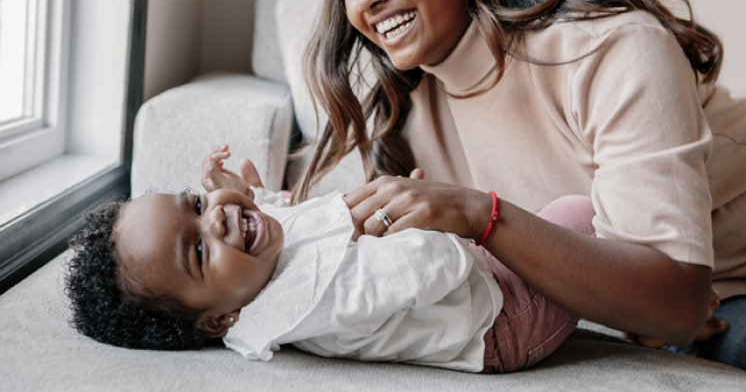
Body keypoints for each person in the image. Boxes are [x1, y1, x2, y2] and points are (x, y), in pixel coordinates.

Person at [292, 0, 746, 369]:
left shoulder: (610, 48)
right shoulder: (404, 117)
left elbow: (673, 306)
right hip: (623, 313)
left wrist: (480, 215)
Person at [65, 146, 596, 373]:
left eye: (197, 204)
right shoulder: (312, 302)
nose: (218, 217)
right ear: (219, 319)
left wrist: (254, 192)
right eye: (199, 249)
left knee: (544, 218)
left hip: (473, 277)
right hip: (502, 318)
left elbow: (291, 228)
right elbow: (438, 269)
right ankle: (639, 310)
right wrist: (427, 215)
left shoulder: (254, 270)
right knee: (577, 215)